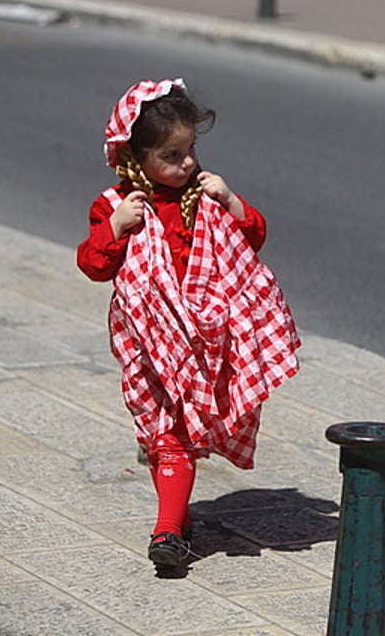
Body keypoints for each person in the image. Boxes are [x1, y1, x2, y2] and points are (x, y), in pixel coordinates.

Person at [76, 78, 300, 570]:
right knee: (161, 431)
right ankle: (173, 522)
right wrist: (116, 228)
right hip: (146, 341)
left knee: (173, 433)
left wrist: (232, 201)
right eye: (172, 155)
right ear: (136, 158)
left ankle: (169, 528)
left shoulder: (203, 195)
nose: (188, 163)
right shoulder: (117, 205)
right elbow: (93, 264)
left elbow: (253, 237)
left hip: (203, 339)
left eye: (191, 149)